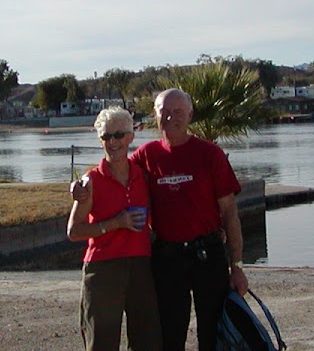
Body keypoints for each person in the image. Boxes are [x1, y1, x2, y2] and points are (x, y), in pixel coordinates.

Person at [133, 88, 248, 351]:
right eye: (165, 112)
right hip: (167, 256)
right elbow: (113, 172)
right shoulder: (146, 155)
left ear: (190, 115)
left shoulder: (210, 154)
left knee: (213, 331)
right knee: (170, 332)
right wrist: (84, 184)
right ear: (155, 115)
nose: (171, 118)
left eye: (178, 112)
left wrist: (237, 265)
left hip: (207, 254)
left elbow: (229, 211)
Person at [67, 107, 162, 351]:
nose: (114, 142)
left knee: (147, 341)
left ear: (131, 136)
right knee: (101, 342)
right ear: (101, 141)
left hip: (141, 265)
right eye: (107, 137)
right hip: (103, 268)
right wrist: (115, 224)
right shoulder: (91, 181)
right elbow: (74, 231)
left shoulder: (144, 175)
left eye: (119, 135)